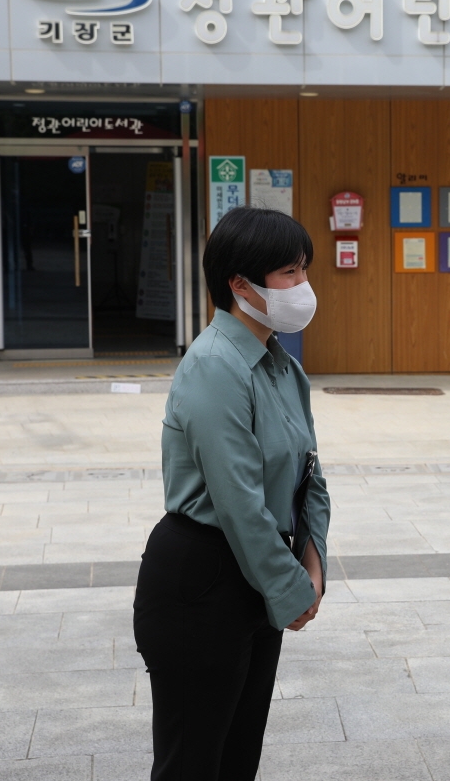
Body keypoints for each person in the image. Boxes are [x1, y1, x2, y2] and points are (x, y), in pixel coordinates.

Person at [133, 205, 329, 781]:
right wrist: (292, 589)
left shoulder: (280, 366)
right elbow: (238, 500)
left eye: (304, 270)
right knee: (194, 762)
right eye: (290, 273)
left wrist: (312, 564)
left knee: (238, 758)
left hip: (260, 572)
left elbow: (308, 474)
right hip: (203, 577)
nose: (304, 286)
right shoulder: (214, 365)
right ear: (240, 285)